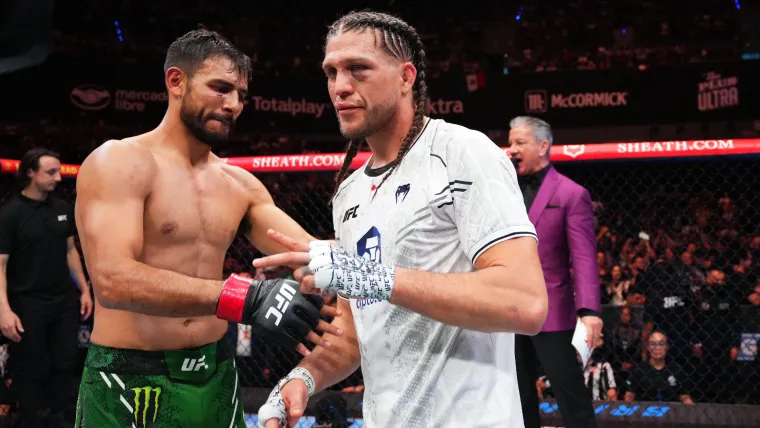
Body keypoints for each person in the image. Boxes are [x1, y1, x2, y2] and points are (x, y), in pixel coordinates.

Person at [253, 11, 548, 428]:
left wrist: (374, 276)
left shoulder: (462, 152)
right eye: (331, 71)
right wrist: (304, 377)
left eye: (358, 69)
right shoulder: (349, 192)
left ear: (407, 76)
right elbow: (359, 335)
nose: (340, 86)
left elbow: (525, 302)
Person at [72, 29, 340, 428]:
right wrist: (244, 298)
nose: (233, 104)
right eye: (220, 88)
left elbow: (316, 255)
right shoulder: (119, 162)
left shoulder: (240, 185)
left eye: (242, 96)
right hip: (130, 377)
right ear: (176, 81)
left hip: (216, 373)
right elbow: (112, 280)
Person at [507, 116, 602, 428]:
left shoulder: (571, 194)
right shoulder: (504, 190)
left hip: (553, 311)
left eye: (520, 142)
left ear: (543, 146)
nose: (512, 149)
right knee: (518, 397)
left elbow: (584, 257)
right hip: (508, 309)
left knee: (570, 394)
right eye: (511, 142)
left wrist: (588, 311)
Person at [0, 148, 93, 428]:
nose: (58, 177)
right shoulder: (10, 214)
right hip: (27, 302)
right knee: (31, 366)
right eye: (50, 172)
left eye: (58, 171)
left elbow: (70, 252)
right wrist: (4, 310)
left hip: (63, 300)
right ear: (30, 173)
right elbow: (0, 266)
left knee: (65, 361)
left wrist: (85, 289)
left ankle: (61, 418)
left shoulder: (62, 209)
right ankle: (29, 419)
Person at [625, 331, 694, 403]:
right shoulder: (638, 370)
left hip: (671, 412)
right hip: (644, 412)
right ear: (648, 347)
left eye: (661, 344)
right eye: (653, 344)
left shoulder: (676, 369)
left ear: (667, 347)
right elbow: (629, 396)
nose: (657, 348)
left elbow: (684, 396)